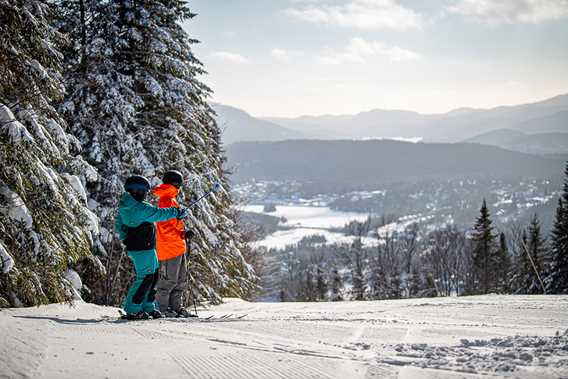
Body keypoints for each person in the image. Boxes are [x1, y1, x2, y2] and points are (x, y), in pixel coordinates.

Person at [115, 175, 188, 320]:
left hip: (146, 246)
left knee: (153, 276)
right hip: (141, 247)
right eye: (144, 191)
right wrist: (176, 212)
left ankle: (148, 307)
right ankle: (132, 308)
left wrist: (125, 239)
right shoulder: (136, 208)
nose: (146, 194)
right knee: (145, 277)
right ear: (137, 190)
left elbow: (119, 225)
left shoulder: (131, 205)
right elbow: (158, 213)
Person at [153, 170, 194, 317]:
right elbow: (164, 229)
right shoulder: (165, 200)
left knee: (180, 281)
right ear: (174, 183)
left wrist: (184, 234)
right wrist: (180, 233)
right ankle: (163, 310)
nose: (179, 187)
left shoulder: (172, 200)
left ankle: (176, 308)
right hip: (168, 249)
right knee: (168, 281)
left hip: (177, 246)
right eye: (178, 184)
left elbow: (173, 226)